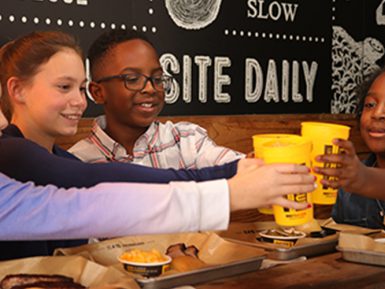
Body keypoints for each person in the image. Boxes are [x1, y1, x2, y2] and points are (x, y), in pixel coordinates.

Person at [0, 30, 315, 259]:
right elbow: (105, 181)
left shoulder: (62, 158)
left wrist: (242, 169)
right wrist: (230, 179)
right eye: (64, 87)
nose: (78, 101)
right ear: (18, 90)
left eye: (80, 88)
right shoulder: (10, 151)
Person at [69, 28, 244, 167]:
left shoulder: (186, 141)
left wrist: (253, 166)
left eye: (158, 79)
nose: (150, 88)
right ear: (98, 93)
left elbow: (238, 167)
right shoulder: (77, 162)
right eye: (132, 79)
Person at [314, 60, 385, 229]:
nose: (378, 113)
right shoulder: (347, 184)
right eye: (370, 104)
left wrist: (364, 179)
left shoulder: (356, 176)